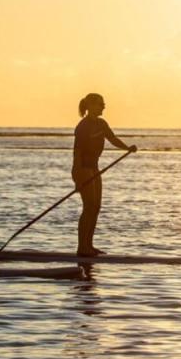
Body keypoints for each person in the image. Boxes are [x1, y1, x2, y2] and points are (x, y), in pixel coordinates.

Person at [72, 93, 136, 256]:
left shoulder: (101, 124)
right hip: (83, 169)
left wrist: (127, 148)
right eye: (100, 104)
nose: (103, 107)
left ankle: (89, 245)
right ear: (91, 106)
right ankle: (82, 247)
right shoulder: (83, 126)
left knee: (96, 207)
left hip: (95, 168)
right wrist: (77, 176)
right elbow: (77, 153)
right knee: (88, 208)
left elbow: (112, 139)